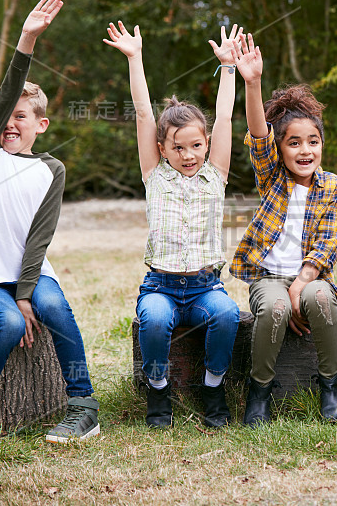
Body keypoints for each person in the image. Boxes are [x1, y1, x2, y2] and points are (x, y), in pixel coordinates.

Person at [0, 0, 101, 444]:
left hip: (32, 275)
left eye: (21, 117)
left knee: (53, 307)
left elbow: (40, 239)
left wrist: (26, 292)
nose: (10, 124)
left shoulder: (50, 170)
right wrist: (27, 38)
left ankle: (83, 407)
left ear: (42, 124)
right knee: (12, 324)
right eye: (5, 116)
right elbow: (8, 89)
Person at [104, 21, 241, 429]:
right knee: (155, 320)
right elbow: (145, 112)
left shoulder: (215, 173)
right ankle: (158, 390)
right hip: (161, 285)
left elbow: (224, 116)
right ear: (162, 149)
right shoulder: (155, 176)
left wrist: (229, 67)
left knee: (227, 315)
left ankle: (212, 387)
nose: (188, 154)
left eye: (196, 145)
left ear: (206, 145)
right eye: (177, 147)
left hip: (205, 286)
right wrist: (135, 57)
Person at [229, 33, 337, 427]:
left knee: (321, 300)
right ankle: (259, 390)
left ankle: (331, 385)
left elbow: (328, 244)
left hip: (310, 276)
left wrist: (301, 284)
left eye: (313, 141)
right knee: (276, 307)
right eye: (294, 142)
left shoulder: (333, 186)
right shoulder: (272, 177)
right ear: (280, 150)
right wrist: (252, 82)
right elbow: (259, 134)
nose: (304, 150)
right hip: (268, 278)